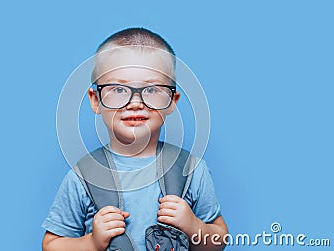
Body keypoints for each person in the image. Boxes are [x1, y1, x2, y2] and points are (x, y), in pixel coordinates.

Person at [42, 28, 228, 251]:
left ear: (172, 101)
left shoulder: (191, 169)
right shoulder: (81, 177)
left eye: (151, 89)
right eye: (119, 89)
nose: (135, 102)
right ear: (95, 100)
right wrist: (91, 243)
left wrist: (194, 225)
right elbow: (51, 245)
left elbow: (219, 241)